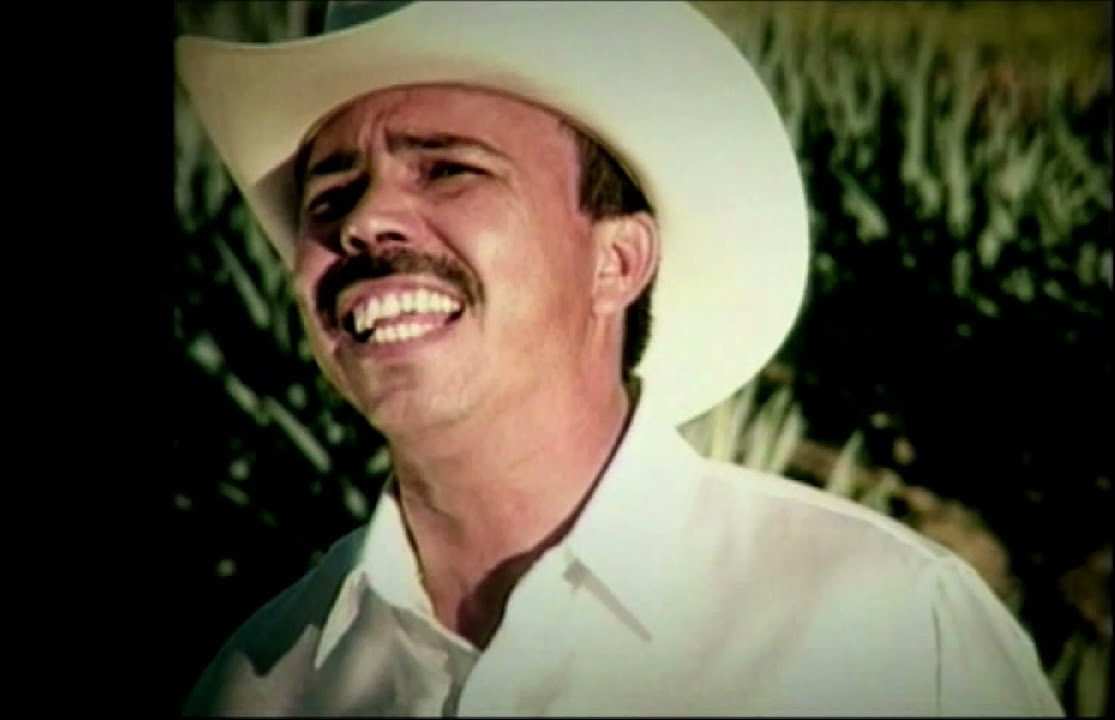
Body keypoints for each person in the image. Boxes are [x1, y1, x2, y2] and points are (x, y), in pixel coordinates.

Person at [175, 1, 1064, 716]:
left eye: (448, 170)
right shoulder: (258, 687)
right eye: (330, 192)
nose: (363, 221)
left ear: (618, 262)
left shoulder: (892, 639)